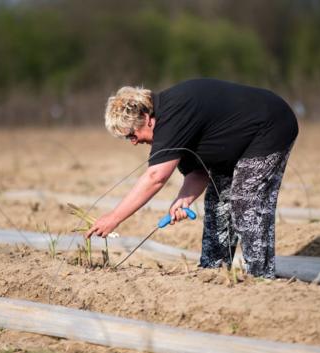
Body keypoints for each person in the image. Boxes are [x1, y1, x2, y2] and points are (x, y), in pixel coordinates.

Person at [86, 78, 298, 278]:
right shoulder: (172, 126)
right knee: (217, 204)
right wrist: (184, 199)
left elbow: (155, 177)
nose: (133, 142)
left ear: (146, 118)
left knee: (245, 201)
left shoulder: (172, 116)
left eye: (132, 134)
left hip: (271, 125)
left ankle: (260, 276)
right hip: (237, 145)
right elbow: (199, 172)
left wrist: (114, 218)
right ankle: (213, 271)